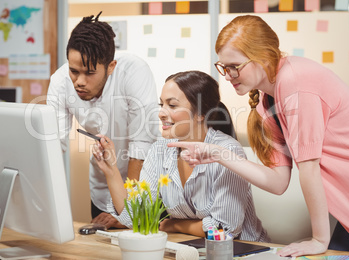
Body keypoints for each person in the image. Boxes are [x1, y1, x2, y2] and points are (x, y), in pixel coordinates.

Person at [167, 15, 349, 256]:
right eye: (223, 67)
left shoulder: (296, 81)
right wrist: (219, 154)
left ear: (263, 56)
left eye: (234, 67)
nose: (227, 76)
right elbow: (278, 183)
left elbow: (310, 167)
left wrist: (319, 239)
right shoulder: (267, 104)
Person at [92, 70, 270, 241]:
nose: (161, 113)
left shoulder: (227, 151)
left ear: (201, 113)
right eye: (161, 104)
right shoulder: (160, 150)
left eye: (172, 105)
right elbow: (137, 219)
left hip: (243, 251)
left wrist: (174, 225)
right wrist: (111, 170)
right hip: (193, 250)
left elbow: (224, 228)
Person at [47, 12, 159, 228]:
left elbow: (141, 147)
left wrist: (127, 211)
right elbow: (52, 144)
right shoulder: (60, 82)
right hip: (102, 187)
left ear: (111, 66)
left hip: (144, 187)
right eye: (73, 71)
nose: (79, 81)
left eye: (89, 73)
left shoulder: (134, 72)